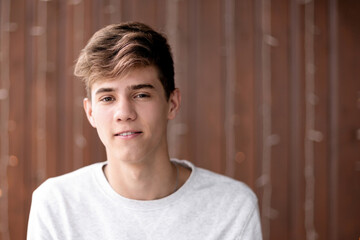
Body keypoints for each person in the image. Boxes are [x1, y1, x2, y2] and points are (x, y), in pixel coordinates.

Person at [27, 22, 262, 239]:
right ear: (90, 113)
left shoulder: (232, 207)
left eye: (141, 95)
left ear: (172, 103)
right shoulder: (55, 205)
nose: (124, 112)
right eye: (108, 98)